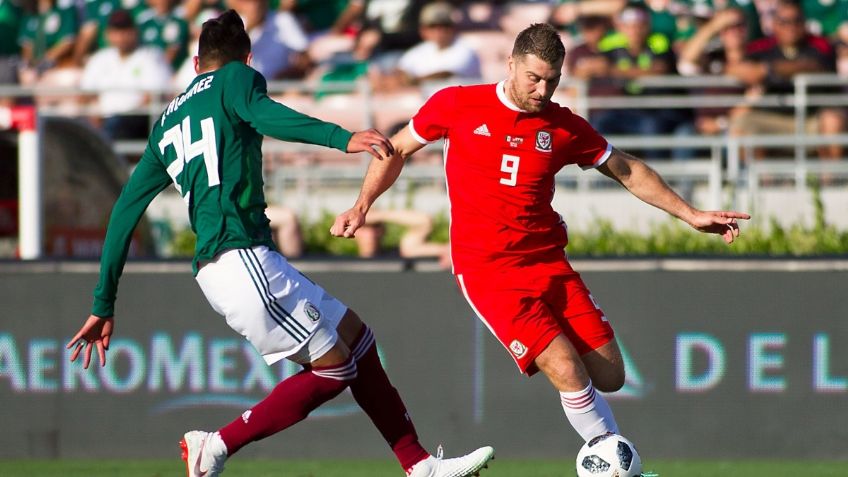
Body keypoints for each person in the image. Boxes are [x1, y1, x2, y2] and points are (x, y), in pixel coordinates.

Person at [66, 10, 494, 477]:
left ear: (194, 64)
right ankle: (216, 444)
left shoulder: (166, 124)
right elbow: (263, 114)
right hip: (240, 257)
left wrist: (103, 302)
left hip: (233, 262)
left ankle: (418, 465)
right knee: (335, 369)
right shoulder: (237, 79)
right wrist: (341, 137)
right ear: (247, 58)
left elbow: (124, 211)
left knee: (359, 341)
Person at [331, 23, 750, 448]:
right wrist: (362, 205)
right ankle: (613, 465)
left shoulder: (564, 127)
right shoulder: (457, 104)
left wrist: (690, 214)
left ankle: (611, 459)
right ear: (510, 64)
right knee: (566, 368)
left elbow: (626, 169)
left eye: (552, 80)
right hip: (488, 269)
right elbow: (396, 149)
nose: (542, 89)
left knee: (610, 376)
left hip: (549, 262)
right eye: (533, 77)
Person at [79, 9, 172, 141]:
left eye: (125, 30)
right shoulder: (100, 59)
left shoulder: (150, 56)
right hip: (104, 119)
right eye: (116, 31)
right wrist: (95, 113)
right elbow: (85, 94)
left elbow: (153, 96)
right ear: (108, 34)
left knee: (116, 125)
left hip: (136, 119)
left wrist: (126, 115)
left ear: (135, 32)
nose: (121, 36)